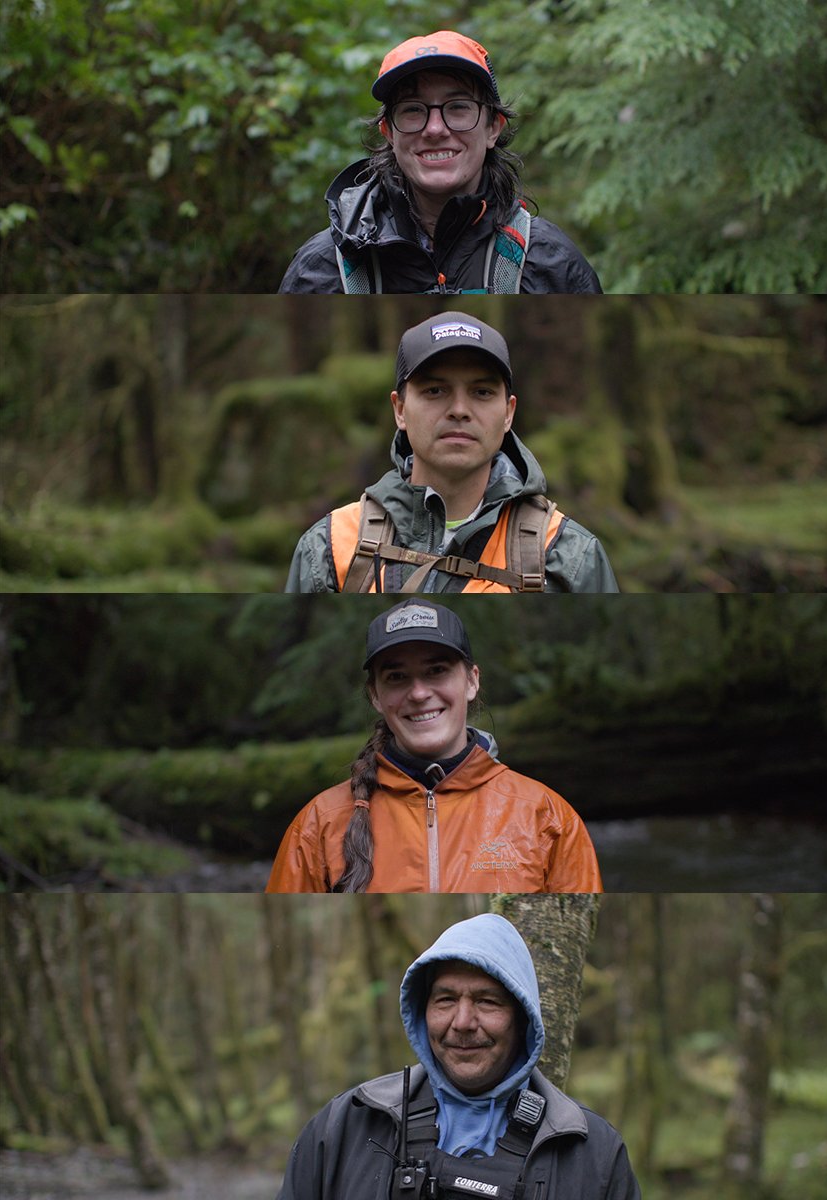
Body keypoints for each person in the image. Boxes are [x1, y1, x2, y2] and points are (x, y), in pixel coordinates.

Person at [273, 912, 641, 1199]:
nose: (463, 1022)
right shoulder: (345, 1126)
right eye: (446, 1000)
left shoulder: (593, 1154)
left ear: (522, 1019)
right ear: (422, 1012)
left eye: (487, 1001)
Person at [265, 600, 603, 893]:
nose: (418, 693)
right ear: (376, 695)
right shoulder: (318, 825)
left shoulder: (546, 816)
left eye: (436, 671)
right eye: (397, 677)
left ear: (472, 680)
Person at [285, 311, 619, 594]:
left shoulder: (567, 555)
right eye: (435, 390)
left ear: (508, 413)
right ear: (399, 409)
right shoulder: (331, 547)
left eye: (481, 392)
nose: (459, 409)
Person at [278, 30, 603, 294]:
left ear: (493, 128)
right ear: (389, 132)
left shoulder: (550, 263)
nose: (435, 129)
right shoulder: (323, 269)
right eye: (413, 109)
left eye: (458, 107)